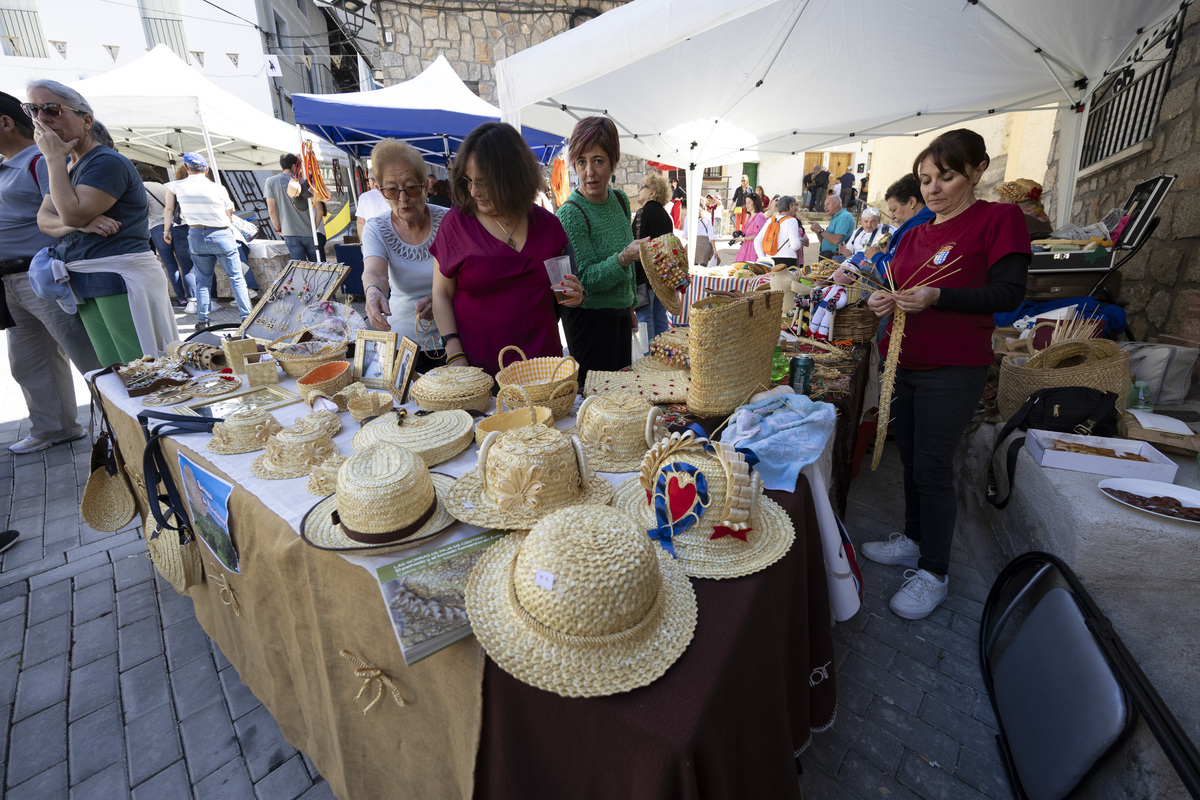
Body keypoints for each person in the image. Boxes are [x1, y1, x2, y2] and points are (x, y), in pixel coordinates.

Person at [862, 128, 1031, 620]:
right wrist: (879, 300)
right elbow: (895, 285)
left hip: (954, 368)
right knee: (912, 461)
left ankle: (935, 572)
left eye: (946, 177)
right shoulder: (914, 233)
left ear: (977, 172)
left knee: (934, 466)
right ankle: (915, 541)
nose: (933, 189)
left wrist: (942, 296)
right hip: (905, 363)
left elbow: (1007, 295)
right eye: (926, 179)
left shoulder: (999, 220)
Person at [29, 79, 177, 365]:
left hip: (118, 277)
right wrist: (79, 223)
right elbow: (45, 221)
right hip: (85, 278)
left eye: (51, 109)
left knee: (148, 370)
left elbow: (67, 213)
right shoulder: (64, 165)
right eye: (32, 109)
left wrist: (54, 162)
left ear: (86, 120)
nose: (40, 119)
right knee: (117, 373)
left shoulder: (105, 162)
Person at [431, 122, 579, 378]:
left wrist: (577, 295)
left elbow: (564, 294)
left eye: (485, 183)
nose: (474, 191)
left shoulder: (549, 226)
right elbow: (441, 294)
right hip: (479, 374)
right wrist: (455, 354)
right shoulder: (456, 225)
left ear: (514, 177)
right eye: (469, 180)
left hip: (544, 372)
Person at [0, 89, 99, 454]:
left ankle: (122, 422)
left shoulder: (40, 161)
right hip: (11, 281)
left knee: (86, 353)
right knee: (28, 361)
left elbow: (63, 210)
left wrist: (79, 224)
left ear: (6, 123)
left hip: (40, 274)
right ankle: (55, 428)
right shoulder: (13, 165)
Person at [556, 116, 644, 383]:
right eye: (581, 162)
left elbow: (626, 273)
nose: (589, 173)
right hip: (589, 324)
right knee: (598, 402)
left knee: (625, 397)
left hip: (619, 319)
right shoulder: (571, 213)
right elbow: (585, 280)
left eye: (598, 161)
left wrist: (630, 308)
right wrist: (624, 258)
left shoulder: (619, 199)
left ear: (613, 161)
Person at [361, 138, 448, 373]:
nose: (402, 199)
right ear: (380, 191)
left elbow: (470, 275)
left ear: (426, 186)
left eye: (411, 188)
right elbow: (374, 272)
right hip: (405, 345)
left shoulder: (450, 221)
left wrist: (441, 298)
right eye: (391, 190)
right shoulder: (376, 228)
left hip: (453, 338)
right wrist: (373, 293)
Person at [163, 152, 253, 330]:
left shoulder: (175, 186)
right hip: (221, 234)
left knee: (202, 280)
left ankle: (203, 320)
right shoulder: (218, 188)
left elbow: (169, 209)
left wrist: (166, 230)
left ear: (186, 168)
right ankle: (246, 318)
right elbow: (230, 212)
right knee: (236, 278)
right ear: (207, 169)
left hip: (195, 234)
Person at [862, 173, 936, 282]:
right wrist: (891, 250)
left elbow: (900, 272)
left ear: (911, 202)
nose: (892, 217)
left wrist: (876, 256)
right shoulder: (918, 224)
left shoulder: (919, 228)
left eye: (894, 210)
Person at [631, 171, 675, 342]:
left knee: (644, 320)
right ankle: (662, 359)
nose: (640, 189)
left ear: (653, 192)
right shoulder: (666, 216)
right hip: (662, 278)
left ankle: (648, 362)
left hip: (645, 277)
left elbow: (637, 248)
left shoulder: (643, 213)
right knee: (660, 319)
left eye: (644, 186)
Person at [139, 165, 187, 310]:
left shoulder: (141, 186)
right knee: (185, 264)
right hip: (176, 225)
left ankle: (181, 298)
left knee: (171, 265)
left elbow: (145, 210)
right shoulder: (162, 186)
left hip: (158, 227)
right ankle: (192, 298)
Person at [264, 153, 325, 261]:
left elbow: (272, 210)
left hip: (289, 232)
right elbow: (320, 210)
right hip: (309, 232)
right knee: (319, 270)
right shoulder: (306, 183)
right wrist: (313, 228)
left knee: (300, 270)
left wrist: (278, 229)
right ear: (294, 166)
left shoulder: (270, 182)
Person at [753, 195, 807, 267]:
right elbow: (795, 246)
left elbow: (757, 241)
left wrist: (762, 259)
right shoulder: (792, 221)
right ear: (790, 206)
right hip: (788, 259)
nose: (796, 208)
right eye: (794, 205)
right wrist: (801, 240)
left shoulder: (770, 220)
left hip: (770, 259)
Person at [809, 193, 855, 262]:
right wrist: (817, 231)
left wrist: (820, 229)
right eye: (824, 205)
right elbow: (825, 241)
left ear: (836, 203)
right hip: (827, 256)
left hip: (834, 258)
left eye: (828, 204)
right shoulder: (836, 216)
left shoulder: (844, 216)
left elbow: (835, 241)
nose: (825, 208)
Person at [681, 195, 715, 268]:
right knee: (704, 272)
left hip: (693, 246)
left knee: (692, 271)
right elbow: (711, 235)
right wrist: (714, 249)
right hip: (705, 246)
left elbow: (685, 234)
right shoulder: (708, 215)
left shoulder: (689, 216)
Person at [732, 192, 767, 264]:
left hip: (754, 249)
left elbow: (759, 235)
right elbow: (747, 232)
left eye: (748, 203)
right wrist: (740, 233)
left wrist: (742, 239)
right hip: (746, 247)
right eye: (746, 203)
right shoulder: (750, 216)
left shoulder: (759, 216)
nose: (746, 205)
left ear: (755, 202)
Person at [355, 177, 390, 241]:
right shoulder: (392, 195)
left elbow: (360, 222)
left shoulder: (364, 197)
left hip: (372, 239)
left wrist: (362, 243)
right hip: (391, 238)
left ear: (372, 181)